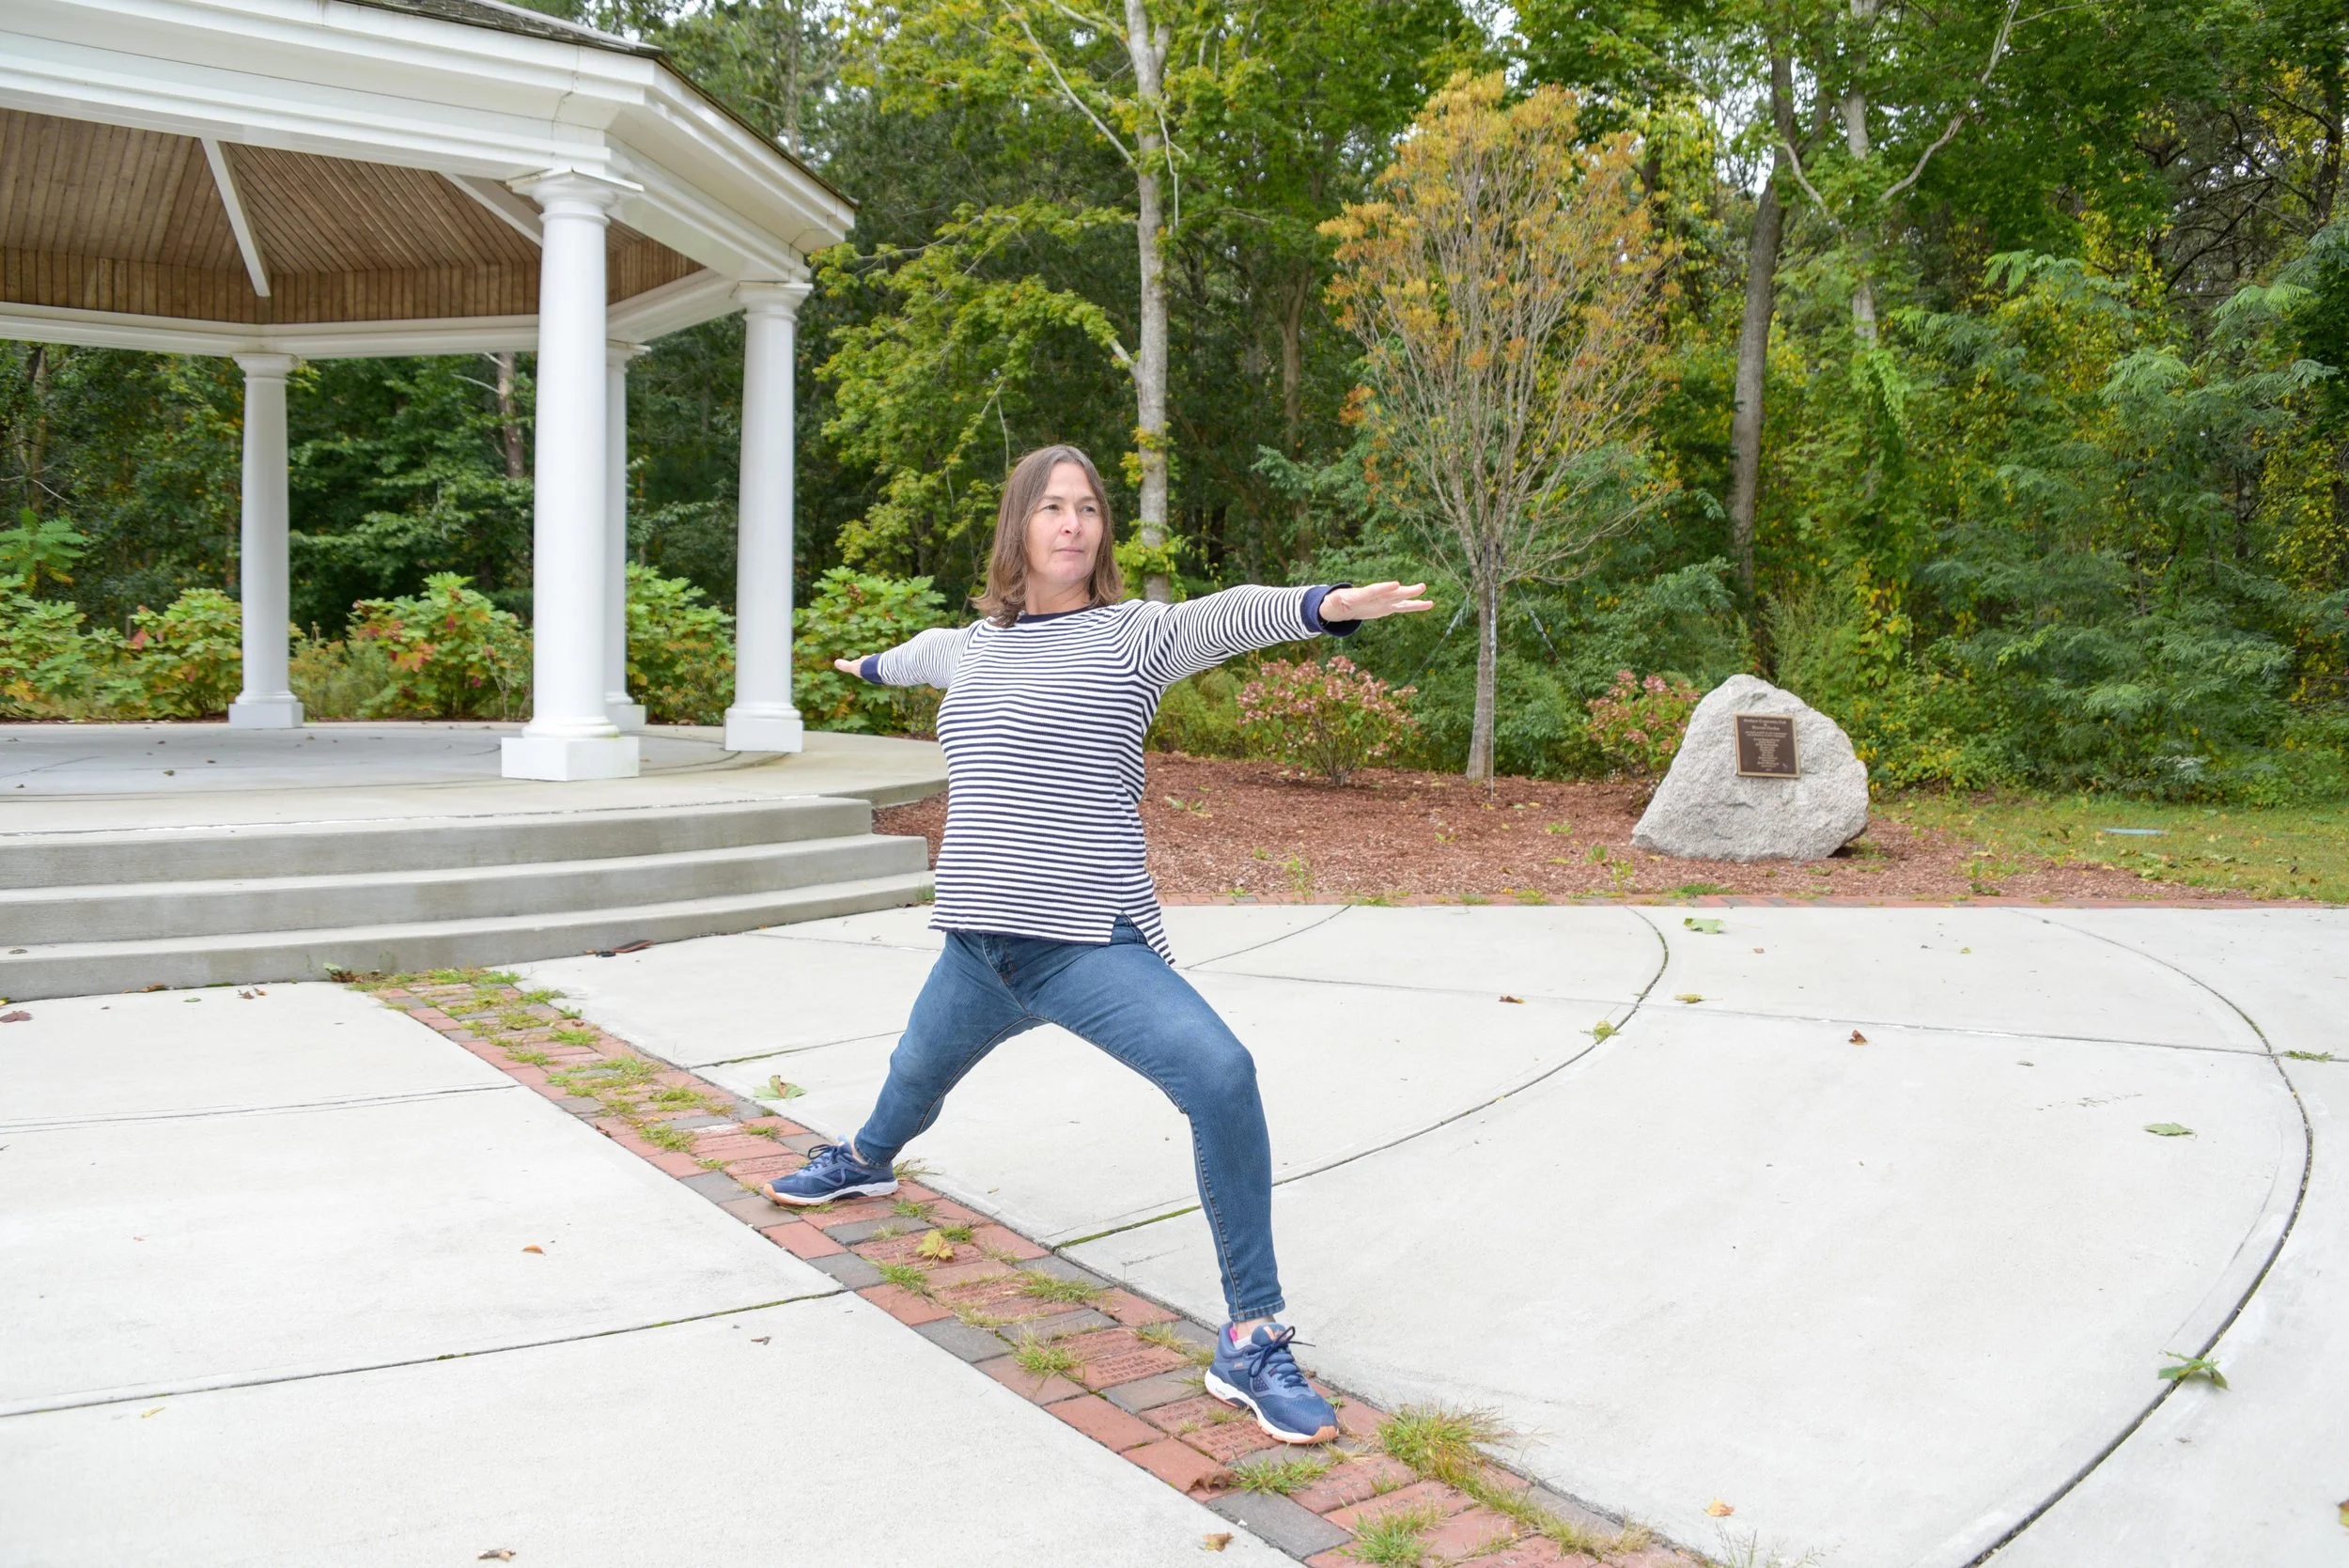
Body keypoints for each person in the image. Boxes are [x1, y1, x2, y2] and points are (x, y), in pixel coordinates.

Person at [767, 443, 1431, 1444]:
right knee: (912, 1078)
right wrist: (863, 665)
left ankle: (1251, 1335)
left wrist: (1325, 605)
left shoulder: (1132, 635)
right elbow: (915, 655)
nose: (1072, 522)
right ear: (1018, 527)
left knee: (1219, 1072)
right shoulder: (972, 647)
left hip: (1084, 941)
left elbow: (1227, 614)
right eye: (1051, 507)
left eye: (1087, 508)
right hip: (975, 944)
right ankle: (863, 1160)